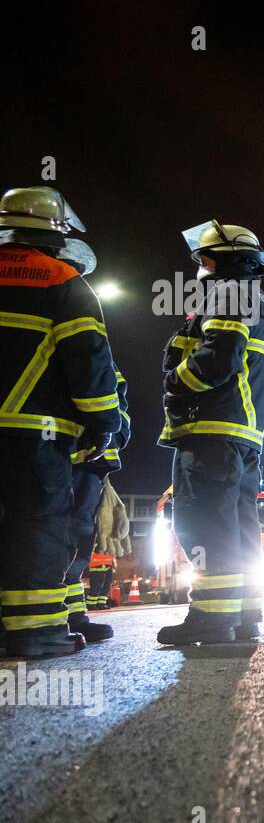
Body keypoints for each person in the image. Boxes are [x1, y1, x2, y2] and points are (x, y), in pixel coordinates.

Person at [0, 186, 121, 658]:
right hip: (36, 433)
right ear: (55, 234)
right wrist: (103, 424)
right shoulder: (63, 282)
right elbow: (89, 362)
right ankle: (36, 632)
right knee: (37, 523)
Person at [156, 221, 264, 645]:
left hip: (210, 431)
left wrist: (176, 381)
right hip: (247, 438)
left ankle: (211, 617)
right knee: (239, 525)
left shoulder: (227, 295)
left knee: (205, 523)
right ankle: (244, 613)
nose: (200, 264)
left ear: (226, 260)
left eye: (205, 257)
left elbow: (219, 359)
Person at [63, 366, 130, 643]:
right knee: (41, 533)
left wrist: (114, 434)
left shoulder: (98, 351)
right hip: (47, 452)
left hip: (89, 461)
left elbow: (118, 397)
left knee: (76, 539)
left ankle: (72, 616)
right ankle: (33, 617)